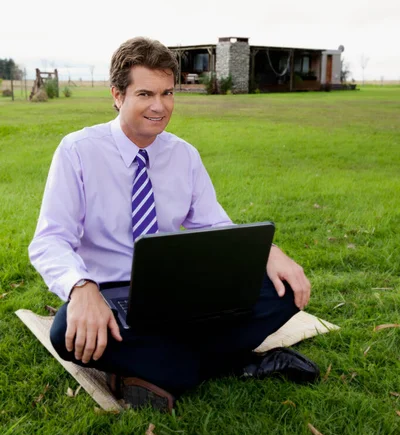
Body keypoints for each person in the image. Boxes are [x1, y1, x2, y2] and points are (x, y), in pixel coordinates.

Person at [28, 37, 319, 413]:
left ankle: (159, 369)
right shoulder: (77, 151)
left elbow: (213, 223)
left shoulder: (184, 155)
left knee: (283, 290)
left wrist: (268, 252)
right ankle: (231, 361)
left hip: (176, 289)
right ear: (117, 95)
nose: (160, 106)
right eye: (145, 93)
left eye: (167, 93)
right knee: (66, 330)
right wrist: (82, 288)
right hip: (109, 294)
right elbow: (50, 239)